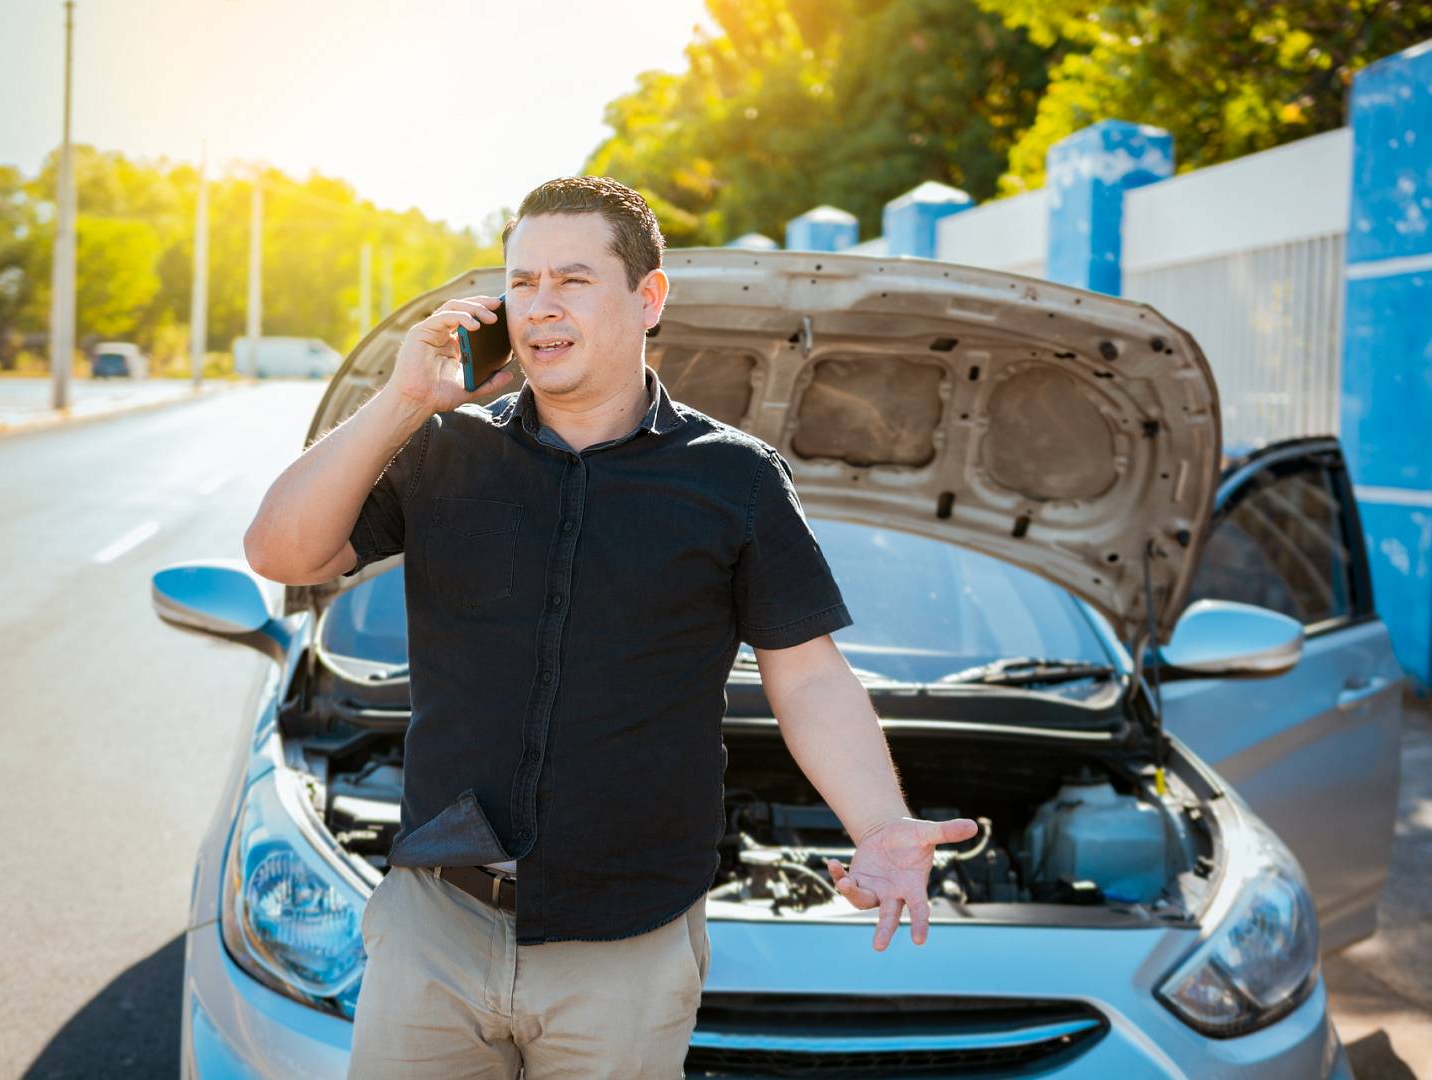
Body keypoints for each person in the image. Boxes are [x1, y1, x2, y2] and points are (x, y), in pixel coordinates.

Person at [243, 175, 978, 1079]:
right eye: (521, 282)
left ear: (648, 298)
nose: (539, 306)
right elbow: (281, 553)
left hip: (626, 947)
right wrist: (401, 400)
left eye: (573, 281)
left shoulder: (734, 480)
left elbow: (809, 675)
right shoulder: (444, 449)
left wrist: (879, 822)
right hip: (435, 922)